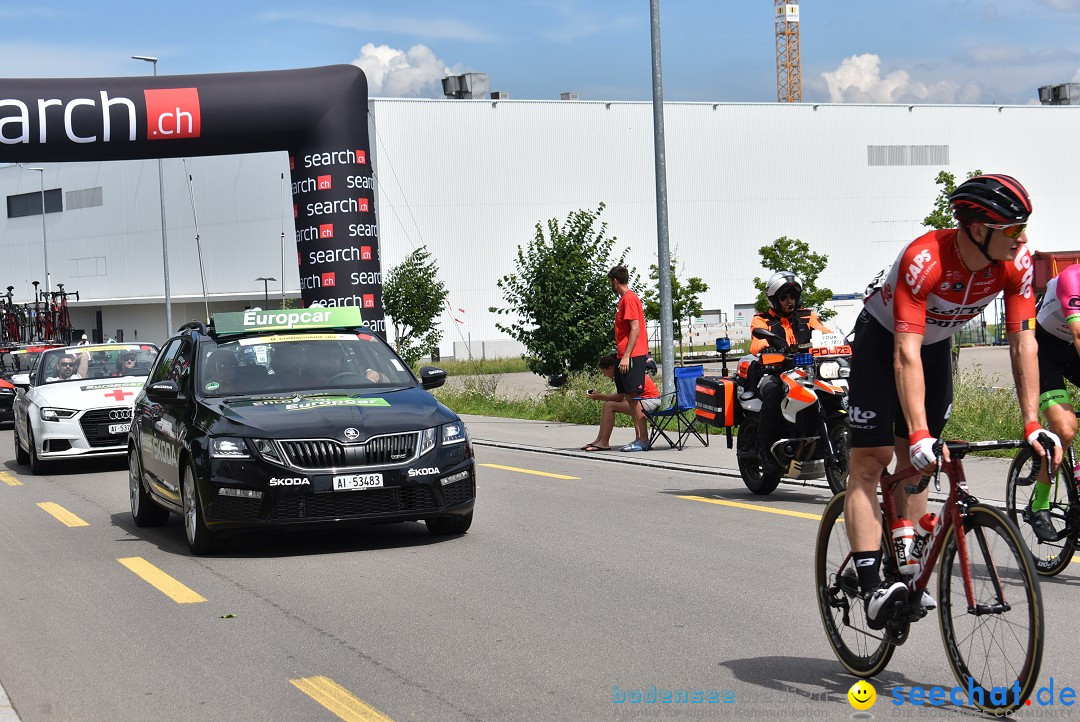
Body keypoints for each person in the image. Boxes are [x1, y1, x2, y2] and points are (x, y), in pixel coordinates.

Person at [845, 174, 1060, 629]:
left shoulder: (1016, 262)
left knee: (919, 463)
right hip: (884, 342)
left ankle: (906, 566)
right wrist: (919, 432)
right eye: (1012, 229)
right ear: (978, 229)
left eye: (1022, 227)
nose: (1021, 238)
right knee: (873, 459)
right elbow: (905, 352)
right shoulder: (924, 259)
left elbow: (1024, 345)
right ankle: (868, 588)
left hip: (935, 347)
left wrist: (1031, 422)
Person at [750, 271, 832, 474]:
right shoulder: (762, 320)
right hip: (772, 370)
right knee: (773, 392)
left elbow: (824, 332)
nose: (790, 301)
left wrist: (837, 342)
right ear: (774, 300)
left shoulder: (808, 316)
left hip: (804, 370)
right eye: (784, 297)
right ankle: (765, 451)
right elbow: (757, 342)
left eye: (793, 296)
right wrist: (766, 349)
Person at [1028, 261, 1080, 541]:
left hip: (1072, 353)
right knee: (1065, 429)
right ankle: (1039, 505)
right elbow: (1079, 333)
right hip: (1043, 352)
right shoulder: (1072, 279)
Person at [608, 265, 651, 452]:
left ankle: (643, 439)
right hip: (625, 355)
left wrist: (626, 356)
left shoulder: (629, 299)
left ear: (615, 281)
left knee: (634, 397)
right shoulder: (624, 300)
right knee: (629, 397)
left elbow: (635, 328)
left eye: (611, 282)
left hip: (632, 356)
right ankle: (638, 438)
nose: (611, 285)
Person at [582, 354, 661, 451]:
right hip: (645, 400)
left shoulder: (621, 373)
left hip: (650, 401)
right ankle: (599, 440)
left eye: (604, 372)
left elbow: (619, 398)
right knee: (607, 404)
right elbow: (622, 396)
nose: (604, 375)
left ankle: (604, 442)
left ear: (610, 368)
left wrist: (599, 396)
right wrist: (600, 397)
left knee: (609, 405)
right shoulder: (620, 372)